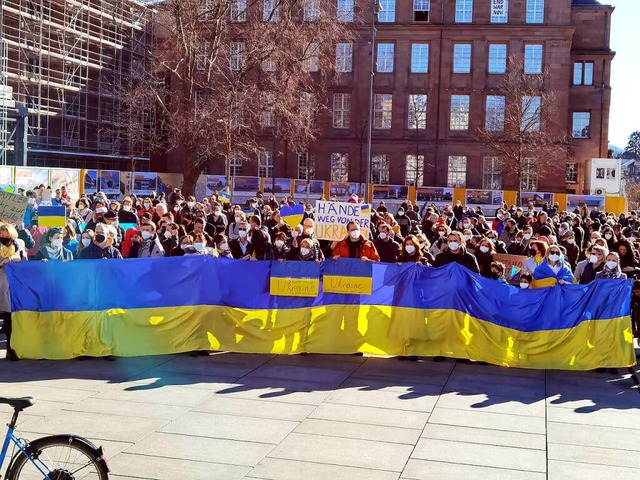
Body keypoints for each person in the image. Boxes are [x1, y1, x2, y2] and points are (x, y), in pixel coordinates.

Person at [0, 224, 24, 360]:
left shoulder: (18, 245)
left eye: (6, 235)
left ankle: (10, 349)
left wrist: (12, 259)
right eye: (1, 235)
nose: (3, 237)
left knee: (10, 321)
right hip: (1, 285)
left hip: (11, 288)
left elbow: (23, 261)